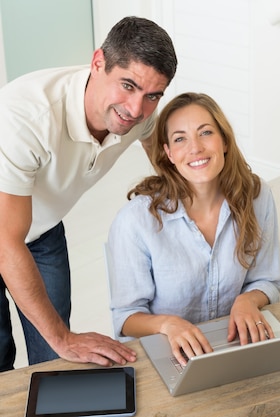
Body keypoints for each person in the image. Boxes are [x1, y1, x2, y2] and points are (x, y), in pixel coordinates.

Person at [0, 16, 177, 371]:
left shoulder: (139, 112)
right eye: (127, 86)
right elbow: (6, 243)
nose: (136, 109)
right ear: (98, 63)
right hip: (7, 233)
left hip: (40, 227)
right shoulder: (26, 118)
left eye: (152, 96)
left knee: (54, 360)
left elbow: (166, 157)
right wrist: (64, 338)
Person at [107, 92, 280, 366]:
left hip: (234, 346)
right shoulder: (135, 221)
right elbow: (127, 316)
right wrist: (167, 325)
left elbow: (267, 280)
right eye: (180, 139)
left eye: (205, 133)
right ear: (168, 153)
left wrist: (248, 300)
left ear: (224, 140)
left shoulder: (258, 196)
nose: (195, 148)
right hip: (167, 357)